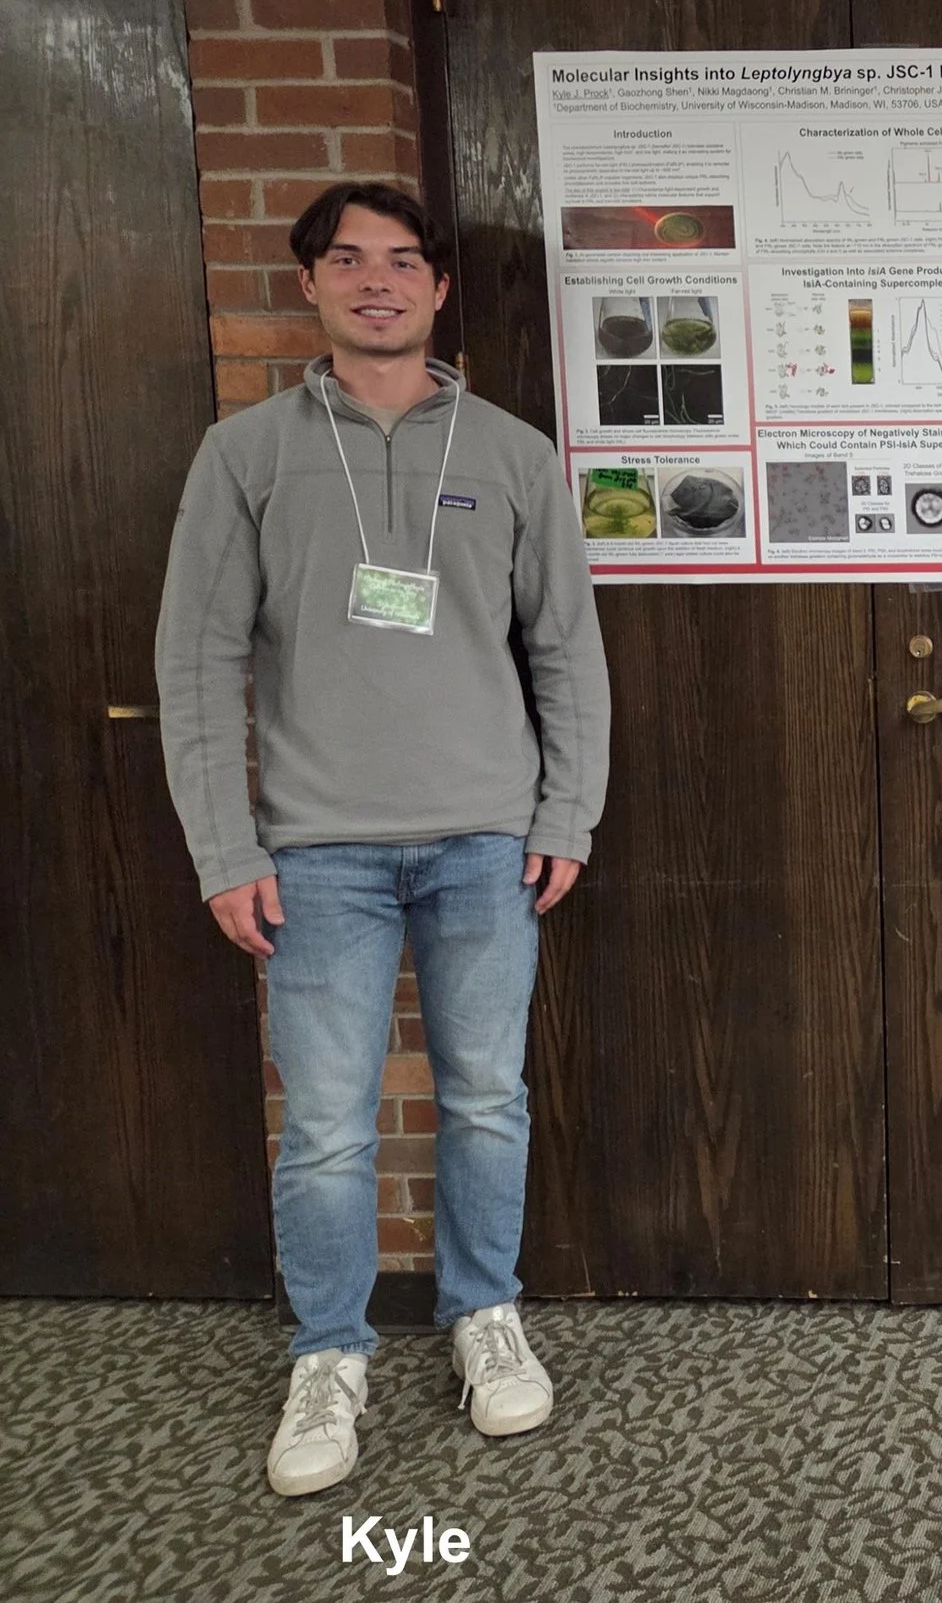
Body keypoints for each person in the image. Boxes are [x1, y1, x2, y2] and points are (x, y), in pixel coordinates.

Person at [156, 182, 611, 1498]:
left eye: (402, 261)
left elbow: (566, 653)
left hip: (485, 839)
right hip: (314, 853)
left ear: (437, 289)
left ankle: (483, 1313)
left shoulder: (515, 455)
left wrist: (565, 808)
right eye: (347, 260)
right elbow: (197, 661)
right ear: (310, 285)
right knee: (329, 1129)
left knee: (484, 1098)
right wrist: (223, 846)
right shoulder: (244, 457)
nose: (377, 281)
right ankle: (329, 1353)